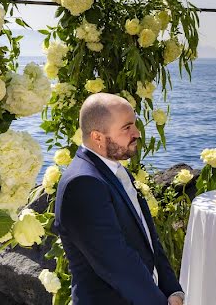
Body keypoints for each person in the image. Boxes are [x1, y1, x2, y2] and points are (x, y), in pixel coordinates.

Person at [54, 93, 185, 305]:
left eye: (134, 124)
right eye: (127, 127)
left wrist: (173, 292)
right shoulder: (83, 183)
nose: (137, 133)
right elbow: (118, 264)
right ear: (97, 137)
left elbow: (149, 241)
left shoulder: (114, 172)